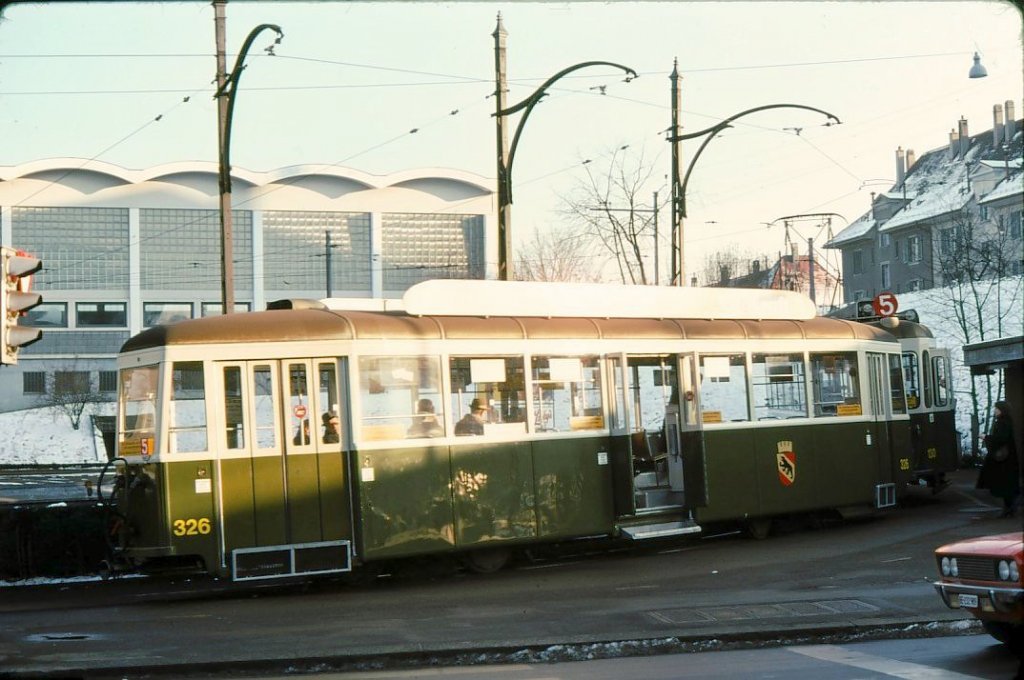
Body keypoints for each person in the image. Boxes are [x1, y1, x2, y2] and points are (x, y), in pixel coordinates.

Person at [976, 400, 1019, 517]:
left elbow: (1000, 438)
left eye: (997, 408)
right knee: (1007, 483)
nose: (995, 410)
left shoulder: (1003, 422)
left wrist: (986, 437)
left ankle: (1009, 508)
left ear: (1001, 410)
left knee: (1004, 483)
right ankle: (1009, 508)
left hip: (1004, 459)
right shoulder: (1006, 421)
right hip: (1008, 458)